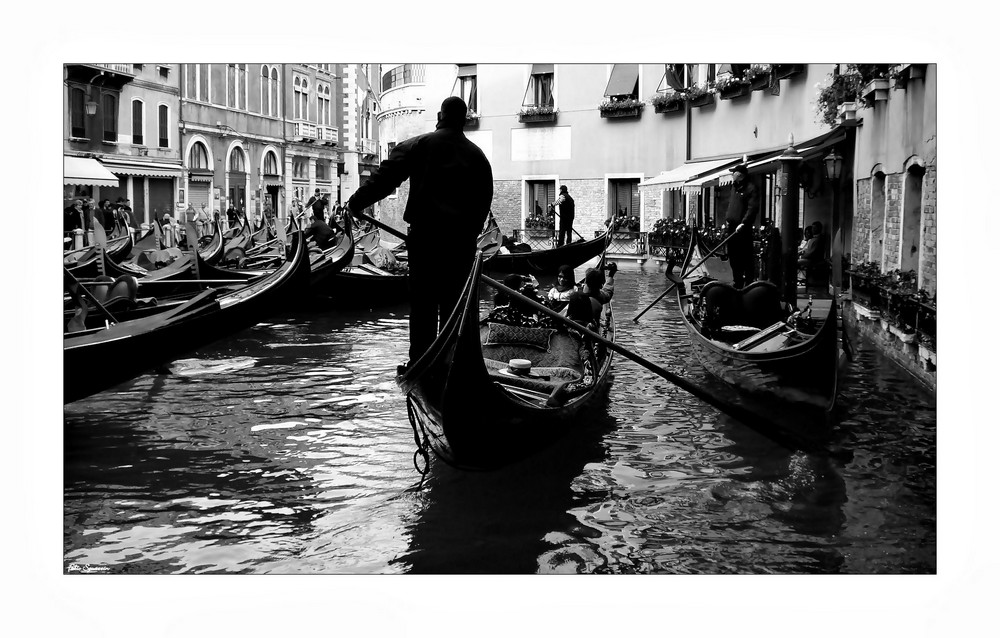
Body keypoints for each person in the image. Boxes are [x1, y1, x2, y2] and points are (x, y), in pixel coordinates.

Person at [346, 96, 494, 367]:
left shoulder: (418, 145)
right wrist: (469, 235)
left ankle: (422, 365)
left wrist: (356, 203)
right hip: (460, 245)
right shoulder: (478, 157)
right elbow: (484, 202)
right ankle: (452, 364)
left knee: (423, 307)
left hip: (424, 241)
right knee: (454, 307)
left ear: (440, 116)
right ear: (463, 120)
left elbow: (384, 180)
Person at [724, 163, 760, 289]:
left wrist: (744, 223)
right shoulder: (734, 187)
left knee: (745, 256)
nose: (732, 175)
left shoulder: (751, 188)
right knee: (733, 256)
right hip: (732, 226)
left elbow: (752, 208)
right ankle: (737, 281)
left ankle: (748, 283)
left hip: (743, 228)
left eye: (734, 173)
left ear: (739, 175)